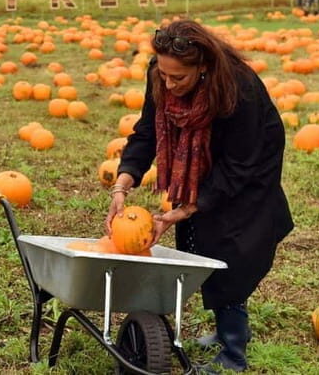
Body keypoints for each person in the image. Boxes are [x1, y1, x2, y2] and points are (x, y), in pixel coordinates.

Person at [105, 20, 294, 372]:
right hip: (199, 159)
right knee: (200, 237)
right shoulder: (160, 75)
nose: (168, 83)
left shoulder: (239, 89)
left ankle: (233, 351)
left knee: (234, 244)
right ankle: (224, 331)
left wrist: (192, 205)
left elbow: (239, 165)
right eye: (164, 74)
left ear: (203, 67)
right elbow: (146, 130)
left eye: (178, 78)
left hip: (251, 163)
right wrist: (123, 182)